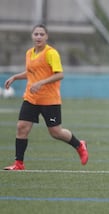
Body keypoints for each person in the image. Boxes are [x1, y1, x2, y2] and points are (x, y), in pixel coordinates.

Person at [3, 24, 88, 170]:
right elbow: (31, 72)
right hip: (31, 97)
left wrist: (41, 83)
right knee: (22, 127)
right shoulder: (29, 53)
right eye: (36, 34)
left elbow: (59, 74)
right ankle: (19, 163)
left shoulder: (51, 53)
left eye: (41, 34)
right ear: (32, 36)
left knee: (56, 132)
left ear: (46, 37)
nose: (38, 37)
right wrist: (16, 77)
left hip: (49, 99)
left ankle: (79, 145)